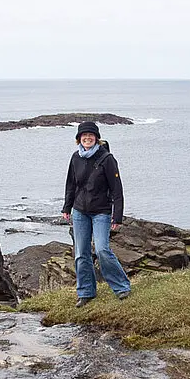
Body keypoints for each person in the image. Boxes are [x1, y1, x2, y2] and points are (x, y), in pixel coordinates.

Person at [61, 121, 131, 308]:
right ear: (79, 139)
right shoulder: (75, 157)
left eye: (91, 135)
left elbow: (117, 190)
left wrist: (117, 217)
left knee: (101, 250)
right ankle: (85, 293)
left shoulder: (107, 159)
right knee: (81, 254)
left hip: (101, 212)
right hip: (80, 212)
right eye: (84, 136)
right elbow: (71, 184)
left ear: (96, 138)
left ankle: (122, 287)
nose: (87, 138)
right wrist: (67, 208)